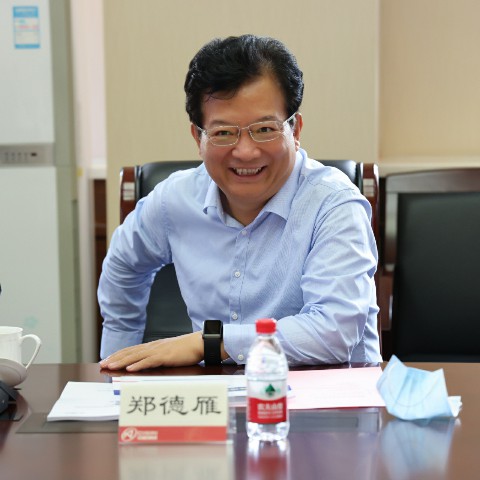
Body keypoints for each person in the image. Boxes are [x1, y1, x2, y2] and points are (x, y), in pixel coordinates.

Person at [98, 34, 381, 372]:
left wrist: (208, 342)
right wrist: (119, 361)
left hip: (327, 397)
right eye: (223, 133)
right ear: (198, 138)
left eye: (264, 129)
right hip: (216, 396)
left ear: (295, 130)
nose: (245, 151)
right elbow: (123, 266)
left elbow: (333, 332)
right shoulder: (174, 200)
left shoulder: (333, 205)